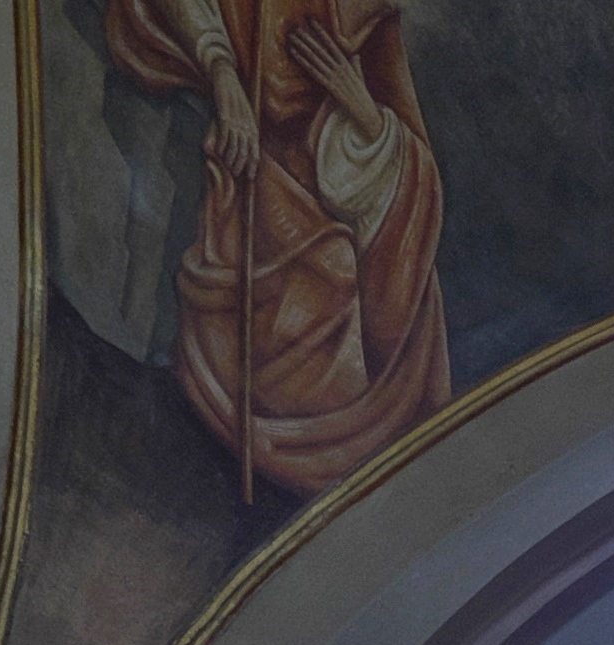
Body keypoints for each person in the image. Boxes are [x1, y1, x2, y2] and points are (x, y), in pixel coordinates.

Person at [104, 0, 451, 504]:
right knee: (318, 276)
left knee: (334, 272)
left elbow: (415, 183)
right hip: (257, 184)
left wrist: (362, 112)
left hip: (339, 201)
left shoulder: (364, 12)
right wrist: (221, 70)